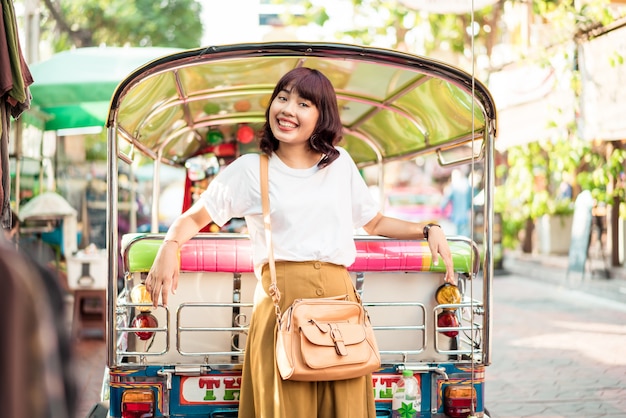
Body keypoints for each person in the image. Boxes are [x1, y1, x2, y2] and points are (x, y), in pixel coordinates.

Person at [145, 67, 456, 417]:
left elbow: (374, 221)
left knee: (347, 408)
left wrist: (428, 230)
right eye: (282, 98)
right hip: (282, 306)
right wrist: (170, 245)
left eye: (303, 103)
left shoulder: (340, 165)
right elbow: (194, 217)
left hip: (341, 309)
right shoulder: (251, 170)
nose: (288, 109)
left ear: (322, 116)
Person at [441, 168, 473, 237]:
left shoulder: (454, 185)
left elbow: (446, 199)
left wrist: (442, 209)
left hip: (456, 216)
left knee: (458, 238)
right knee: (465, 237)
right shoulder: (467, 184)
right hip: (465, 215)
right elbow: (471, 200)